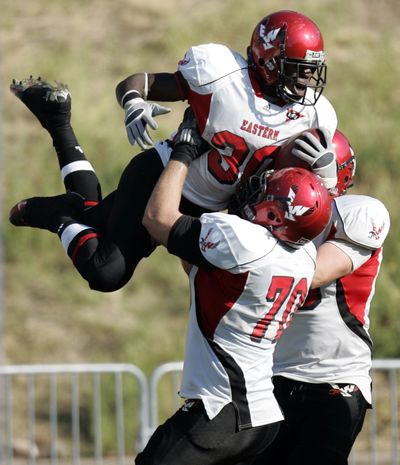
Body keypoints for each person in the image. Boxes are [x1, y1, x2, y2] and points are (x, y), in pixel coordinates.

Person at [8, 9, 338, 292]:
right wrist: (134, 102)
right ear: (267, 58)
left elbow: (300, 183)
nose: (306, 81)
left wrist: (327, 174)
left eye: (311, 71)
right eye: (298, 69)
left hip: (207, 210)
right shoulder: (224, 79)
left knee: (92, 222)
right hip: (159, 178)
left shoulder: (313, 116)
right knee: (106, 272)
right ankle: (58, 214)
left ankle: (57, 122)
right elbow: (138, 82)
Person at [136, 127, 332, 465]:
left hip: (221, 410)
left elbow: (157, 219)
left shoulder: (246, 242)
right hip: (262, 416)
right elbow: (197, 263)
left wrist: (183, 153)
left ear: (274, 214)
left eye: (263, 194)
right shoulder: (302, 258)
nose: (253, 195)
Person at [247, 132, 391, 465]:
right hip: (275, 377)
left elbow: (312, 274)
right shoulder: (267, 226)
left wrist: (317, 205)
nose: (286, 187)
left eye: (297, 177)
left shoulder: (361, 212)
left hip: (335, 380)